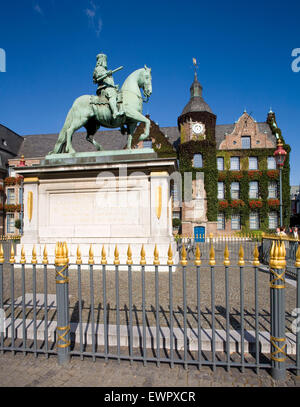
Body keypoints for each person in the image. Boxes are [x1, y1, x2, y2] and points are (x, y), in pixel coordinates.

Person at [93, 53, 124, 120]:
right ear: (100, 61)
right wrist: (106, 73)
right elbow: (98, 76)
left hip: (110, 87)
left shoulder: (105, 70)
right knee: (112, 94)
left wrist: (114, 86)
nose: (105, 62)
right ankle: (115, 112)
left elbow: (109, 82)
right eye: (104, 60)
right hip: (104, 88)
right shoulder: (98, 68)